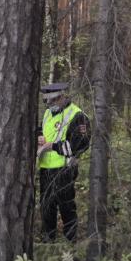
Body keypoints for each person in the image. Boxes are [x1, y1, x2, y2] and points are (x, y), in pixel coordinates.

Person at [37, 83, 91, 242]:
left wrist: (52, 146)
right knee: (46, 207)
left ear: (62, 97)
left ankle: (70, 242)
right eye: (46, 102)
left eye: (52, 101)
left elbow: (80, 145)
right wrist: (39, 136)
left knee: (66, 207)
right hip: (46, 168)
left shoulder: (77, 116)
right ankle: (48, 241)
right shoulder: (48, 113)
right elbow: (42, 129)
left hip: (65, 169)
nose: (48, 105)